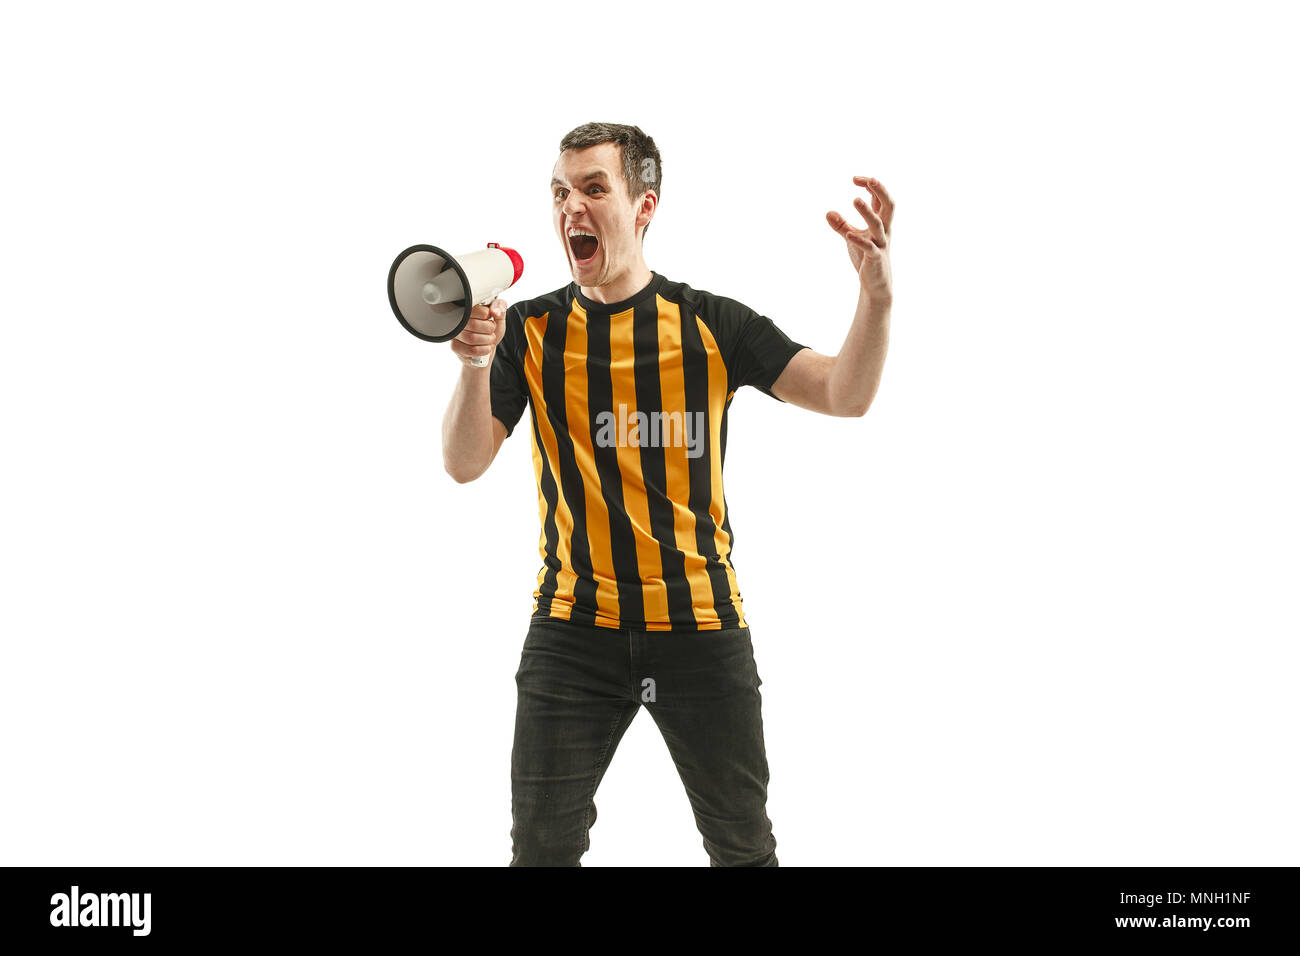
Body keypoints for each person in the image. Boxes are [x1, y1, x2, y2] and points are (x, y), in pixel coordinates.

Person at [441, 122, 894, 866]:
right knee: (541, 849)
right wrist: (473, 365)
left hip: (699, 624)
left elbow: (845, 394)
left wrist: (875, 298)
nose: (570, 209)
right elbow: (463, 463)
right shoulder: (530, 329)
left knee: (742, 846)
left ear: (644, 204)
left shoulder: (713, 324)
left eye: (593, 188)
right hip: (572, 628)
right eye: (560, 192)